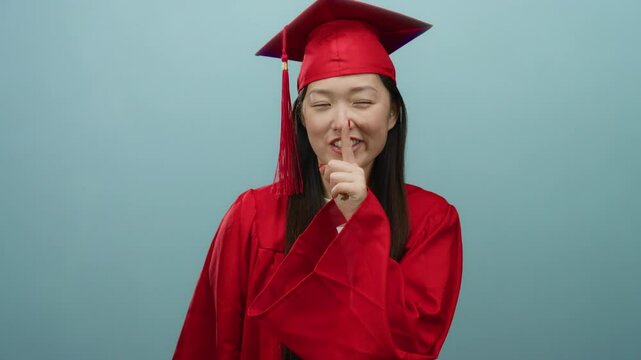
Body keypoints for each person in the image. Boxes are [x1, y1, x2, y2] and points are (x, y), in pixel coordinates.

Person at [172, 0, 463, 359]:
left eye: (362, 102)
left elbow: (411, 344)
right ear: (301, 119)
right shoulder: (252, 216)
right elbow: (209, 341)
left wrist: (361, 220)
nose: (342, 122)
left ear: (392, 114)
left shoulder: (432, 220)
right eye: (322, 105)